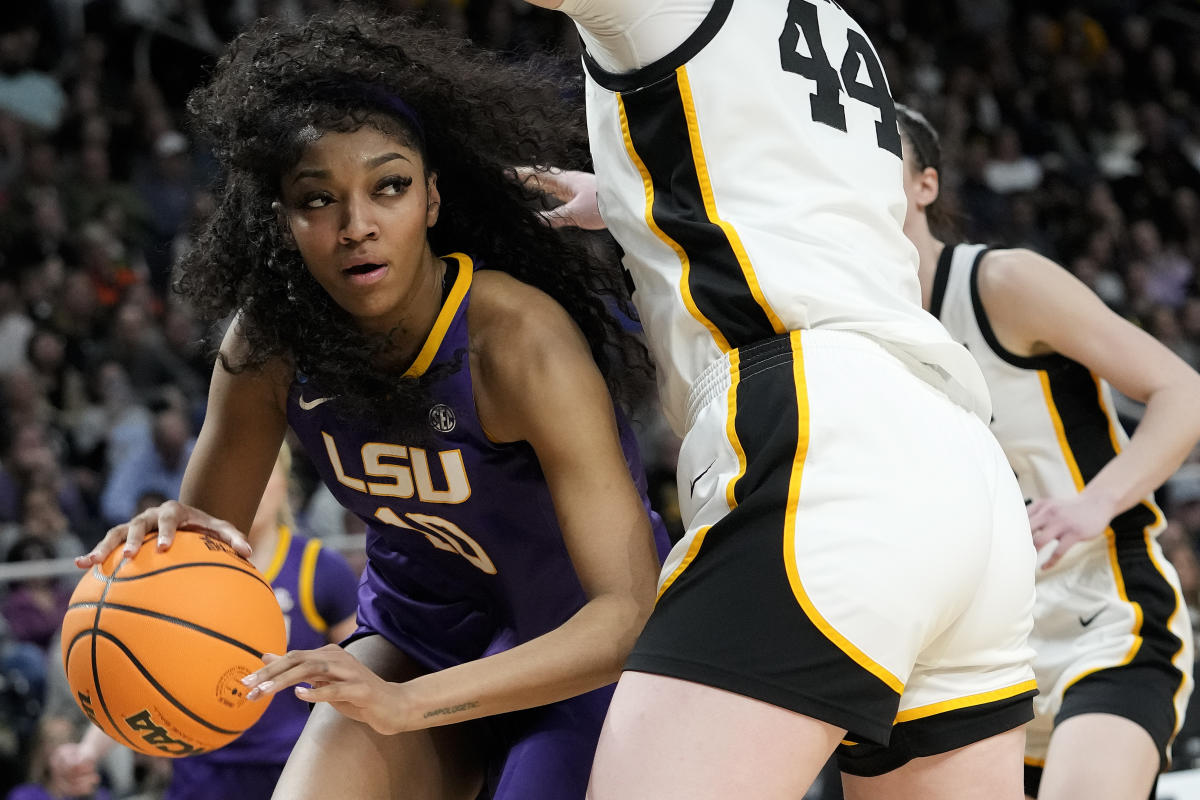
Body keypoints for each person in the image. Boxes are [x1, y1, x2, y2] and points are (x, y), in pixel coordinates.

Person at [76, 9, 667, 800]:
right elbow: (207, 548)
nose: (358, 226)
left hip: (574, 646)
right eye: (318, 200)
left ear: (429, 199)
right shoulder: (268, 346)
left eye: (387, 187)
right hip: (416, 634)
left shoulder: (517, 340)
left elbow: (627, 612)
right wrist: (160, 555)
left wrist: (407, 706)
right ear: (281, 220)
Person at [522, 1, 1037, 797]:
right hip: (960, 460)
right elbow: (791, 188)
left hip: (819, 441)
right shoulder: (836, 24)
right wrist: (630, 194)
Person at [895, 103, 1199, 800]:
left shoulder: (999, 282)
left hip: (1100, 618)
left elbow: (1183, 391)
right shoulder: (850, 326)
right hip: (967, 649)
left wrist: (1097, 502)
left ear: (926, 185)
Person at [51, 444, 360, 800]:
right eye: (236, 471)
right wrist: (86, 753)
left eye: (262, 470)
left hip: (294, 769)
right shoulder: (170, 567)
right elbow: (137, 672)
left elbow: (350, 683)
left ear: (286, 484)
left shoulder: (320, 569)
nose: (249, 483)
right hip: (201, 771)